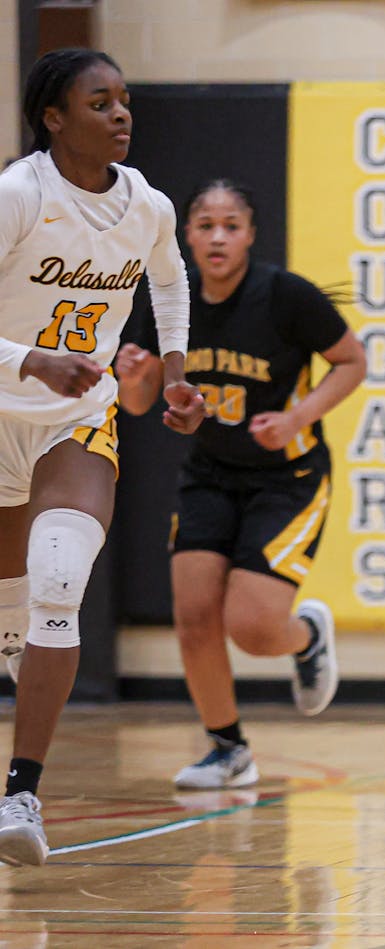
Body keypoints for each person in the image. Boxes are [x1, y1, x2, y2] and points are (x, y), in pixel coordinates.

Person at [0, 48, 205, 866]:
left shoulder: (146, 204)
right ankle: (16, 644)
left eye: (124, 101)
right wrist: (30, 358)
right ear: (54, 118)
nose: (121, 114)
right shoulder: (19, 196)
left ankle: (21, 794)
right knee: (14, 614)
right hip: (3, 402)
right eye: (99, 103)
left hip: (75, 423)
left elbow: (170, 278)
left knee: (58, 580)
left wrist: (179, 374)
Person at [116, 179, 365, 791]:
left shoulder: (285, 297)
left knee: (252, 630)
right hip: (211, 473)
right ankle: (228, 749)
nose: (218, 236)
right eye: (205, 225)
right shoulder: (171, 302)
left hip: (289, 477)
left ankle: (305, 637)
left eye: (231, 224)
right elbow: (143, 400)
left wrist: (297, 417)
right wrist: (131, 376)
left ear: (251, 234)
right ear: (188, 236)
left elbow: (353, 361)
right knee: (195, 615)